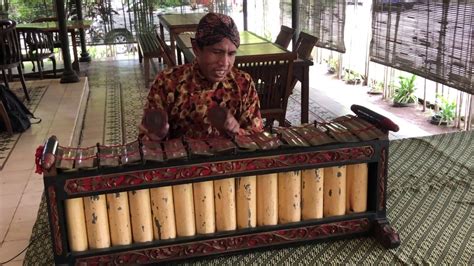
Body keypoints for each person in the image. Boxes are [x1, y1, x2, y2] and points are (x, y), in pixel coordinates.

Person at [139, 12, 263, 140]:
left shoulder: (243, 83)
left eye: (231, 54)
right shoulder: (168, 82)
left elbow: (257, 137)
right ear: (196, 49)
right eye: (216, 52)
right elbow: (145, 141)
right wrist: (155, 135)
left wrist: (237, 131)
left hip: (232, 159)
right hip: (185, 160)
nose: (225, 63)